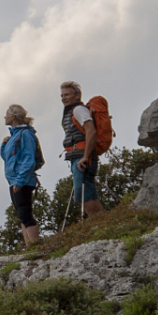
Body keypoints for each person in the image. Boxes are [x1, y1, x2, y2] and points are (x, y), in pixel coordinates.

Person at [1, 104, 43, 247]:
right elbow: (7, 158)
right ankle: (29, 247)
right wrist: (3, 145)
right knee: (21, 216)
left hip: (22, 181)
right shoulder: (14, 135)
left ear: (13, 117)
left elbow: (28, 159)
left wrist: (20, 181)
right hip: (14, 181)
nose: (4, 117)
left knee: (25, 214)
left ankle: (36, 246)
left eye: (7, 114)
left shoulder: (25, 134)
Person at [60, 81, 103, 220]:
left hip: (82, 157)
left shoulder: (78, 110)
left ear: (77, 95)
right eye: (62, 96)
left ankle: (99, 225)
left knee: (83, 194)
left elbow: (91, 131)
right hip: (77, 157)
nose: (63, 98)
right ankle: (103, 223)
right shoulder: (72, 111)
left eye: (67, 94)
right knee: (88, 193)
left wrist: (85, 156)